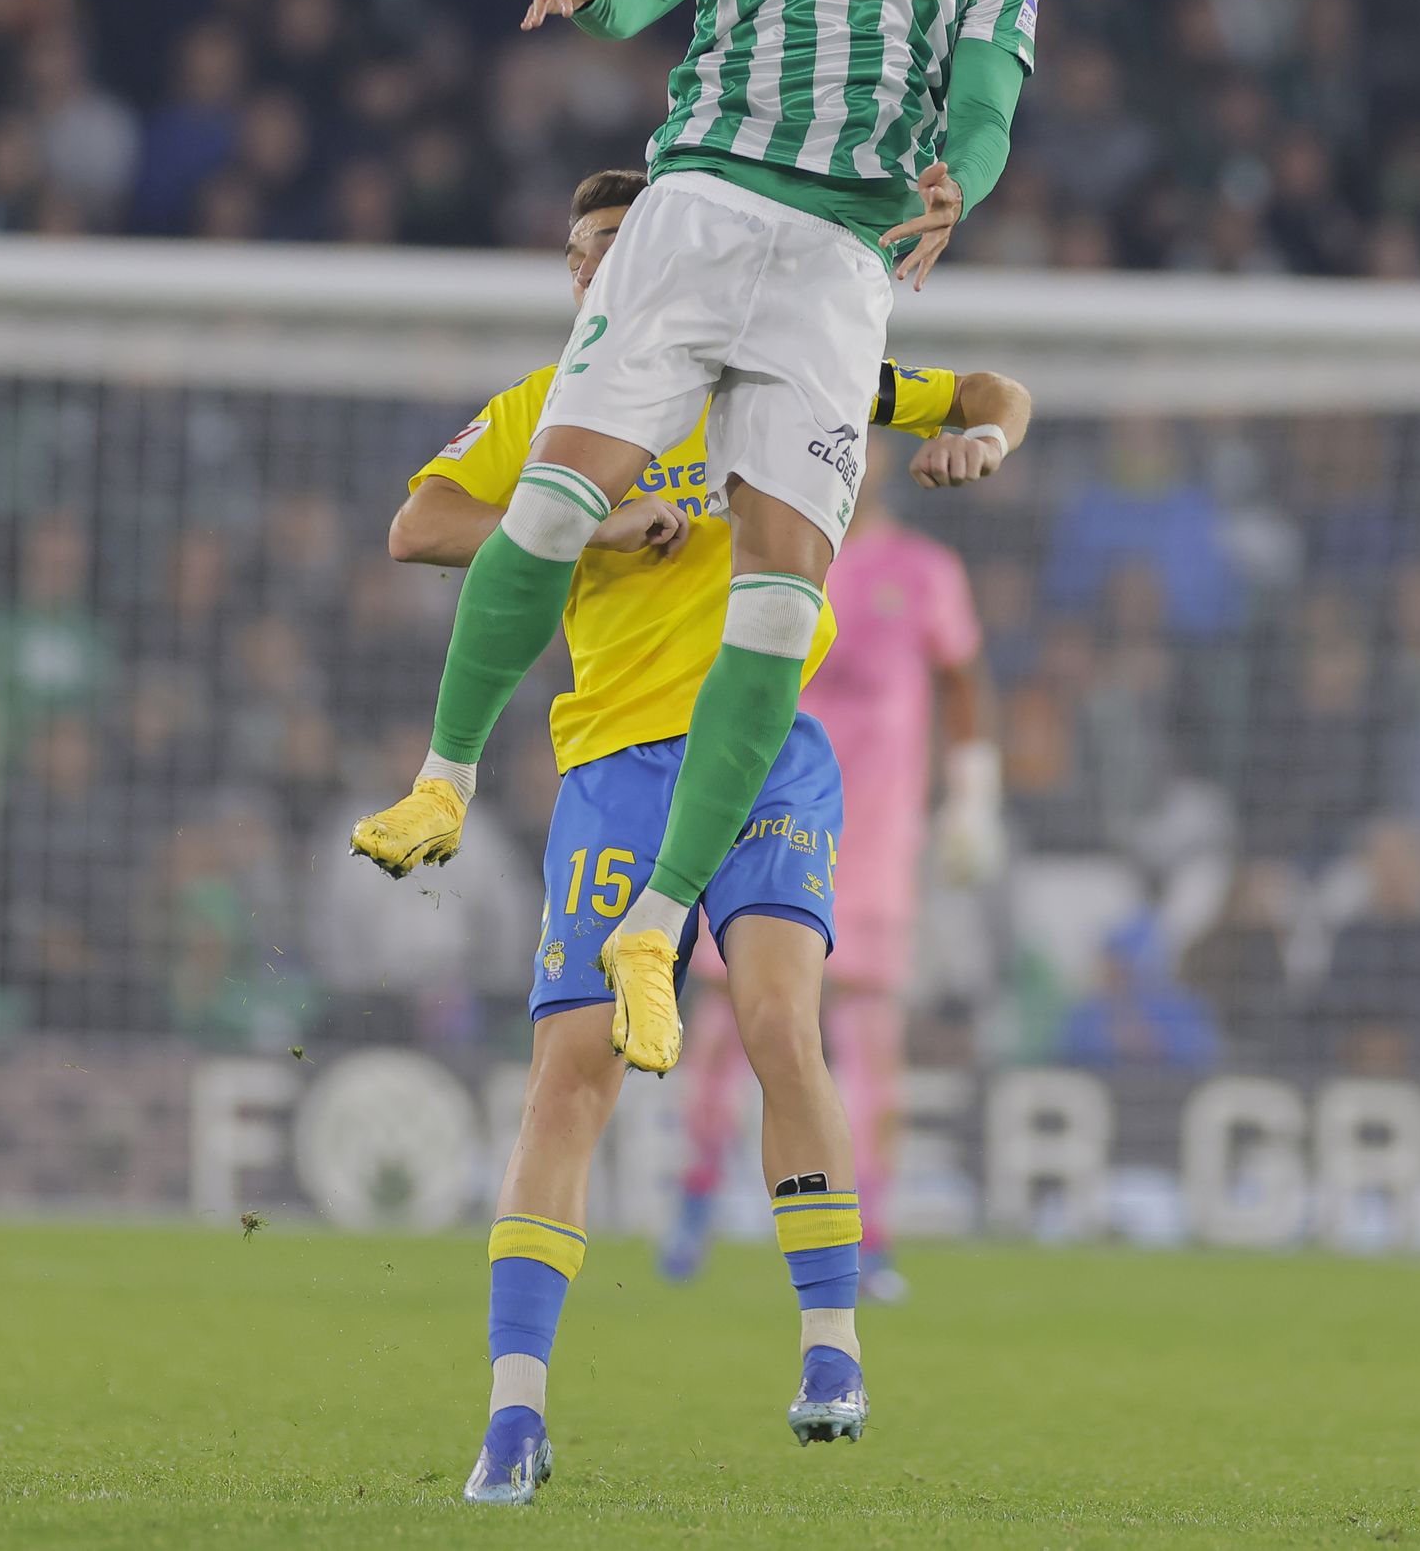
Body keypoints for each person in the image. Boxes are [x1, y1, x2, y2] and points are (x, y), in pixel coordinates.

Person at [353, 0, 1038, 1078]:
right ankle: (441, 780)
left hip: (844, 265)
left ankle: (657, 931)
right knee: (551, 504)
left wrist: (958, 181)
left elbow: (985, 101)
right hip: (703, 212)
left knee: (781, 614)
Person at [380, 170, 1031, 1504]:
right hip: (616, 769)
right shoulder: (552, 419)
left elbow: (989, 391)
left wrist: (984, 442)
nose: (605, 269)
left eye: (626, 243)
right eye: (588, 254)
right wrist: (589, 524)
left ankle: (834, 1347)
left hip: (770, 762)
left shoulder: (793, 372)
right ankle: (513, 1418)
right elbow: (418, 525)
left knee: (788, 1020)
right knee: (572, 1074)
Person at [661, 435, 1004, 1300]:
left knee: (866, 1032)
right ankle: (694, 1199)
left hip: (877, 835)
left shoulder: (923, 570)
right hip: (765, 813)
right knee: (724, 1015)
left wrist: (973, 796)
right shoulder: (765, 545)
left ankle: (872, 1233)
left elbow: (963, 680)